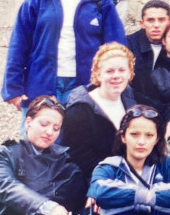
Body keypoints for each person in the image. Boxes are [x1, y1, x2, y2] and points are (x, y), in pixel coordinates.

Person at [2, 0, 126, 113]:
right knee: (41, 136)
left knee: (79, 137)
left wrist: (116, 82)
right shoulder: (37, 0)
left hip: (87, 86)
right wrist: (13, 89)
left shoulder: (101, 2)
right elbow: (18, 44)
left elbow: (117, 48)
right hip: (41, 84)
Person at [59, 42, 138, 180]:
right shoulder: (80, 110)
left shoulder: (129, 97)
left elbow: (160, 109)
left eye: (122, 70)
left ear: (130, 73)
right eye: (110, 71)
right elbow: (79, 159)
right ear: (98, 74)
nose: (116, 76)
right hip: (96, 180)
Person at [126, 0, 170, 111]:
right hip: (133, 107)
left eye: (161, 20)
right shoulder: (128, 45)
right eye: (150, 20)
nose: (156, 25)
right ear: (142, 23)